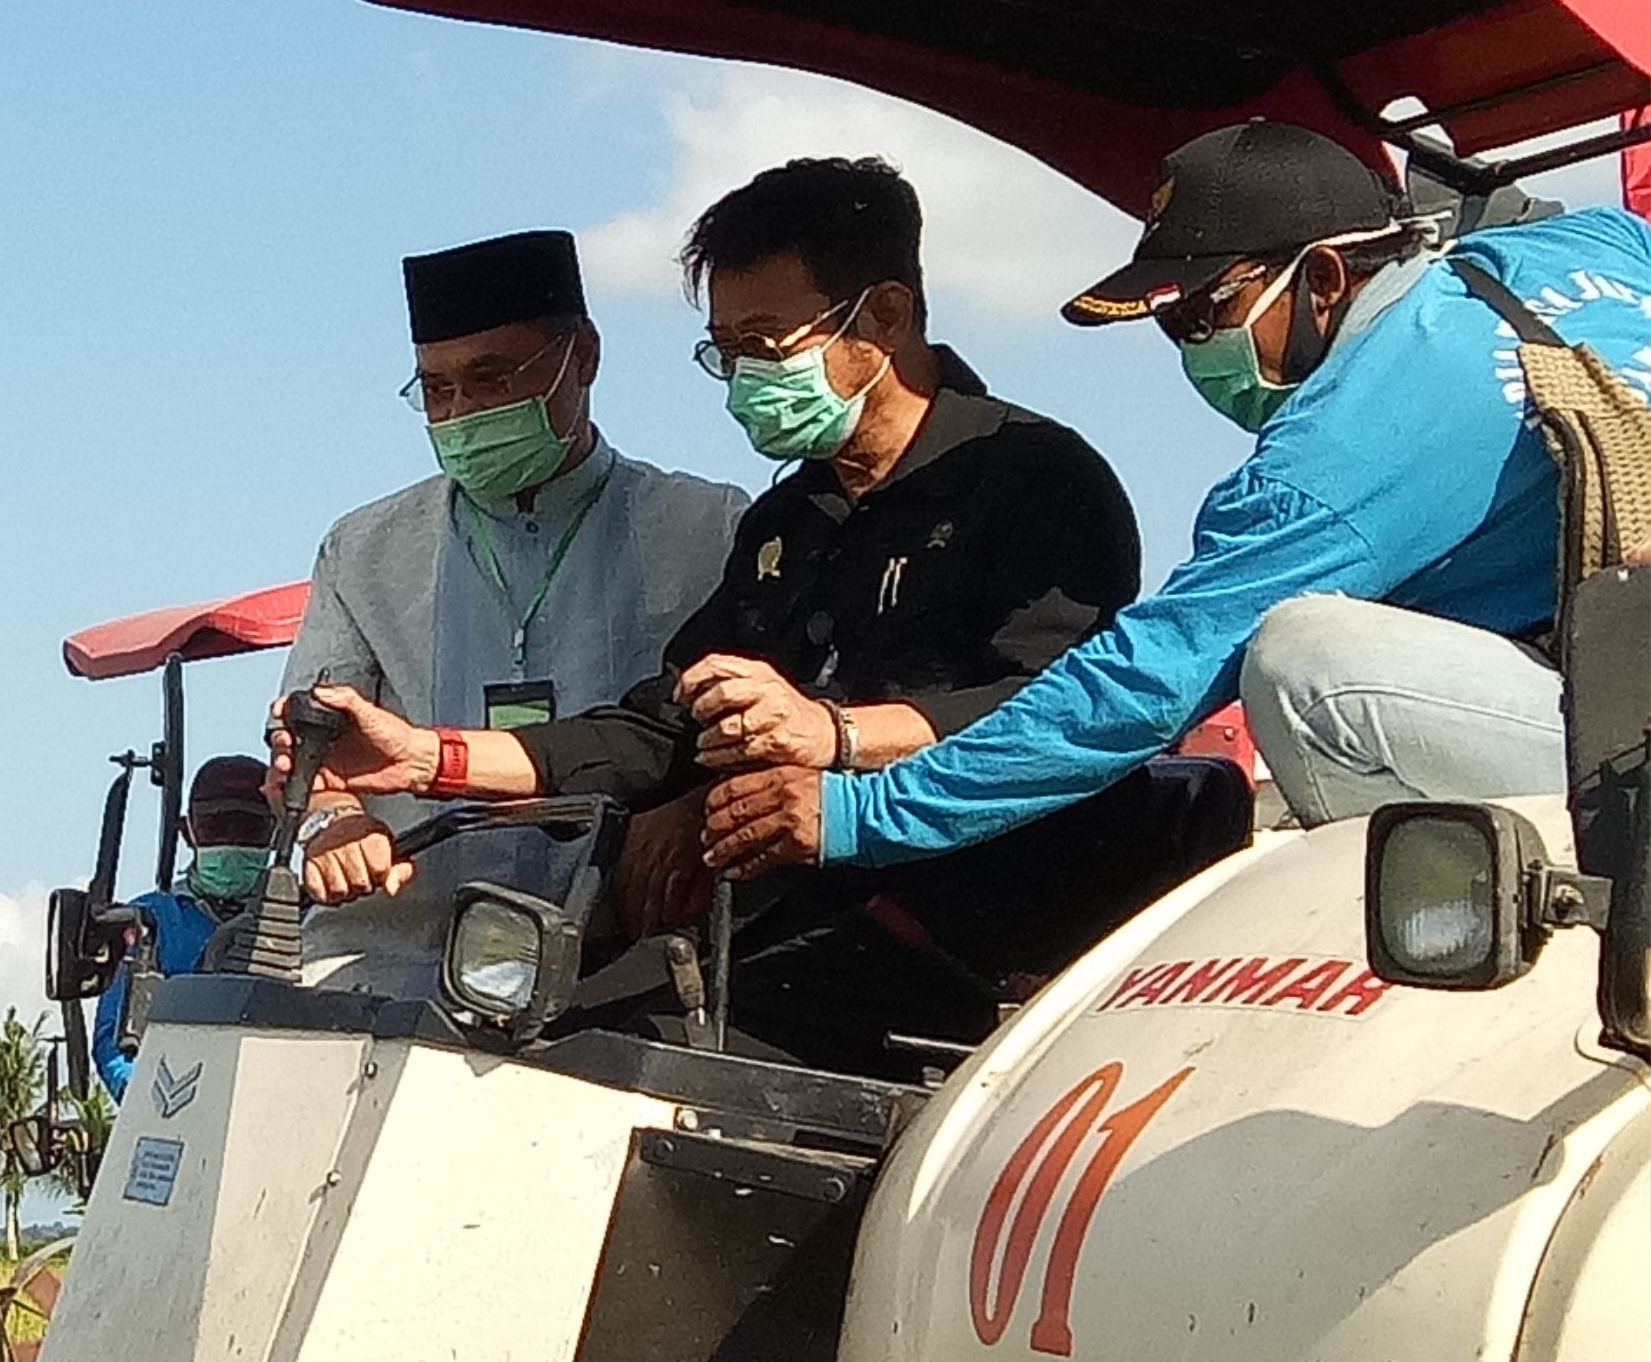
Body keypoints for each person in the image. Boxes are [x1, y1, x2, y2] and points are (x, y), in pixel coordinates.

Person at [298, 157, 1220, 1067]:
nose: (742, 380)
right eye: (725, 351)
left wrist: (839, 738)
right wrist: (430, 757)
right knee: (525, 1053)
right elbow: (664, 724)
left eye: (766, 344)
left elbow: (1070, 711)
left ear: (884, 317)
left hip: (976, 941)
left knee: (618, 1070)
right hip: (781, 926)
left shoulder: (1038, 480)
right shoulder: (787, 519)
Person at [701, 122, 1651, 883]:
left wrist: (864, 813)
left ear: (1324, 276)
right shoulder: (1582, 246)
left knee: (1302, 657)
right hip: (1609, 694)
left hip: (1631, 760)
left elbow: (1145, 684)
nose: (1191, 350)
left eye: (1202, 315)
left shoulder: (1335, 451)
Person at [279, 228, 744, 984]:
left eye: (491, 380)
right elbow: (311, 747)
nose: (462, 413)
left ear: (582, 357)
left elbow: (748, 730)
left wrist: (690, 805)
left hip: (628, 968)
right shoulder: (364, 549)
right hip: (395, 962)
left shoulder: (707, 529)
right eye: (437, 390)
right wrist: (336, 820)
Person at [88, 755, 275, 1093]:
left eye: (251, 828)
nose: (232, 842)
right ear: (187, 832)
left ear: (277, 833)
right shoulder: (148, 921)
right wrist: (151, 1104)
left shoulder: (312, 920)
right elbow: (115, 1047)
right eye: (215, 828)